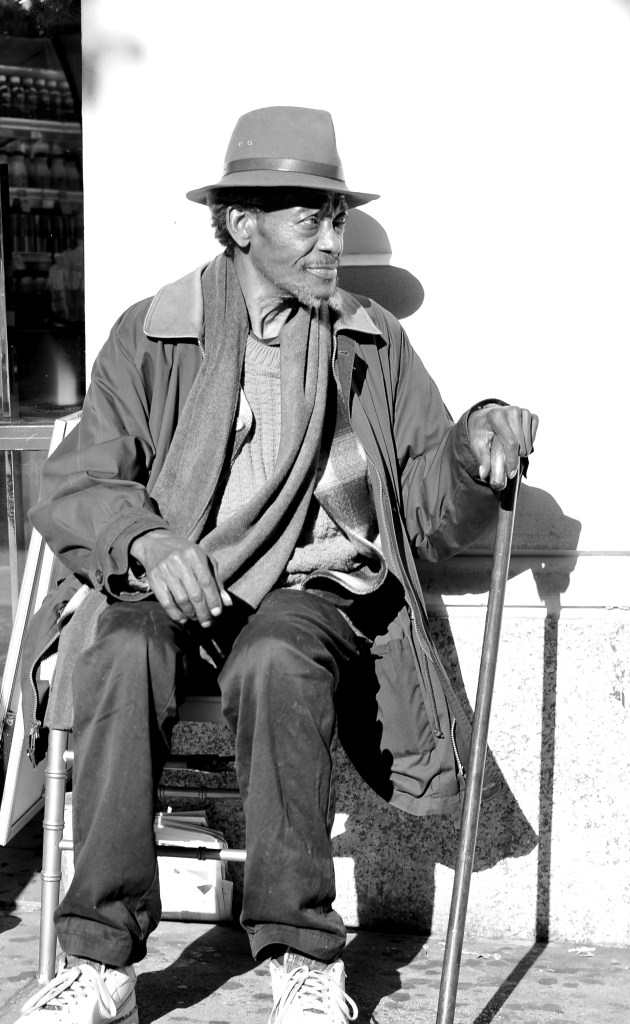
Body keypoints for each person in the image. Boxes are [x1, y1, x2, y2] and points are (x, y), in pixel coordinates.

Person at [15, 106, 538, 1024]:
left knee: (278, 658)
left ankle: (300, 950)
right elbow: (82, 480)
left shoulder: (367, 340)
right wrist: (147, 543)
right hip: (175, 581)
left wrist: (471, 441)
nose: (333, 239)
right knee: (121, 648)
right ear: (243, 224)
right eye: (312, 219)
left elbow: (422, 510)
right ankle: (101, 960)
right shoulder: (154, 331)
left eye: (337, 216)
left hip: (311, 584)